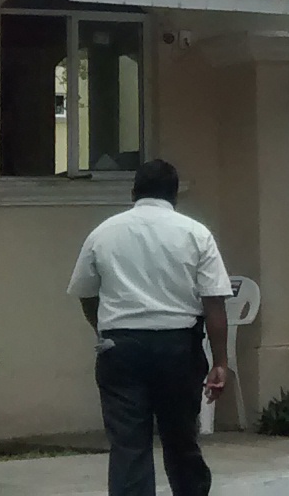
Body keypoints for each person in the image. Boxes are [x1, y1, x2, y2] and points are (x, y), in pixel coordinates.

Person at [67, 158, 232, 496]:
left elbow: (86, 292)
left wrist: (103, 329)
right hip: (178, 348)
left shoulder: (104, 233)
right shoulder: (196, 233)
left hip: (121, 348)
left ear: (134, 192)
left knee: (128, 446)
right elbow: (214, 301)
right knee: (181, 440)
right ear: (175, 194)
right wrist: (220, 361)